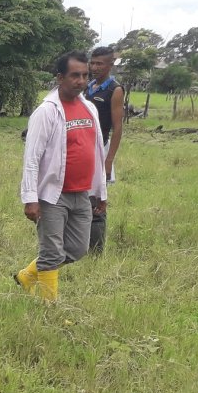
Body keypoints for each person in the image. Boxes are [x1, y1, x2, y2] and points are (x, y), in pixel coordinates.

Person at [13, 51, 107, 301]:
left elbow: (98, 152)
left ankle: (26, 276)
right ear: (60, 78)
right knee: (52, 252)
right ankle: (48, 308)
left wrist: (101, 191)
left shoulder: (89, 108)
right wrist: (30, 198)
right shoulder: (47, 112)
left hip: (83, 193)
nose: (81, 80)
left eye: (85, 75)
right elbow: (31, 158)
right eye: (75, 75)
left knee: (78, 248)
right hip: (53, 195)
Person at [86, 46, 125, 253]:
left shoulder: (115, 90)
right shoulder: (88, 86)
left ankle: (96, 251)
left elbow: (118, 128)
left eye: (99, 63)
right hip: (83, 149)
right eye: (92, 63)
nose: (94, 67)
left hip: (100, 150)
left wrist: (108, 160)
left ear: (111, 65)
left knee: (98, 200)